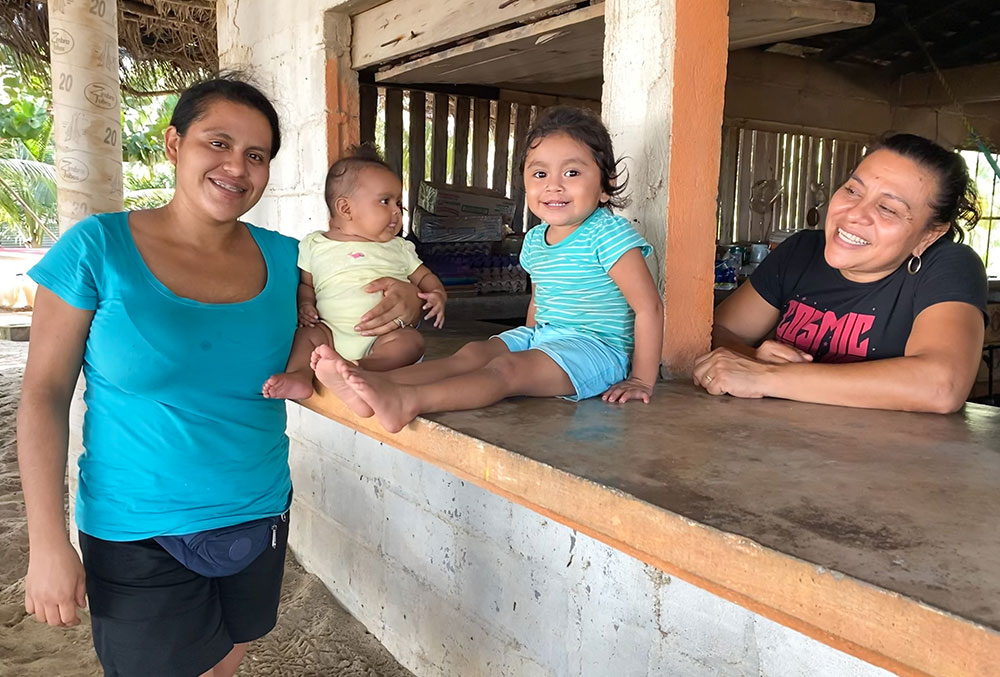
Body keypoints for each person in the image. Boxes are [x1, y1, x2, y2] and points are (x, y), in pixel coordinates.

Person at [16, 75, 423, 677]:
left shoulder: (291, 260)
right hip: (138, 527)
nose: (237, 166)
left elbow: (374, 323)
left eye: (256, 155)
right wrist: (47, 543)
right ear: (174, 143)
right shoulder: (97, 248)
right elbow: (43, 396)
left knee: (226, 662)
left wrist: (407, 302)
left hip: (259, 511)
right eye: (218, 143)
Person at [312, 105, 664, 433]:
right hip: (543, 338)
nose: (553, 185)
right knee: (474, 353)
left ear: (604, 187)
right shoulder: (537, 239)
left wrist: (642, 379)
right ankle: (374, 383)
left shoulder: (609, 234)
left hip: (595, 350)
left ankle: (406, 400)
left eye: (572, 172)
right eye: (540, 173)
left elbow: (648, 307)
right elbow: (540, 301)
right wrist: (526, 341)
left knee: (505, 370)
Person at [695, 133, 988, 413]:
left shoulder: (948, 266)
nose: (854, 213)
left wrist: (769, 377)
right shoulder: (801, 251)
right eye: (852, 190)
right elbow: (716, 332)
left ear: (930, 235)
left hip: (887, 458)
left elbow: (941, 386)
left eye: (887, 208)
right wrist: (754, 359)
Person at [262, 144, 446, 400]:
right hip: (330, 333)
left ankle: (363, 369)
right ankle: (300, 375)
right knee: (307, 336)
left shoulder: (399, 248)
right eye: (385, 201)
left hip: (383, 337)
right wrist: (305, 305)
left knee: (411, 341)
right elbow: (307, 285)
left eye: (398, 203)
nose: (396, 211)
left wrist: (437, 293)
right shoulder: (315, 245)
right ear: (345, 208)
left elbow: (424, 277)